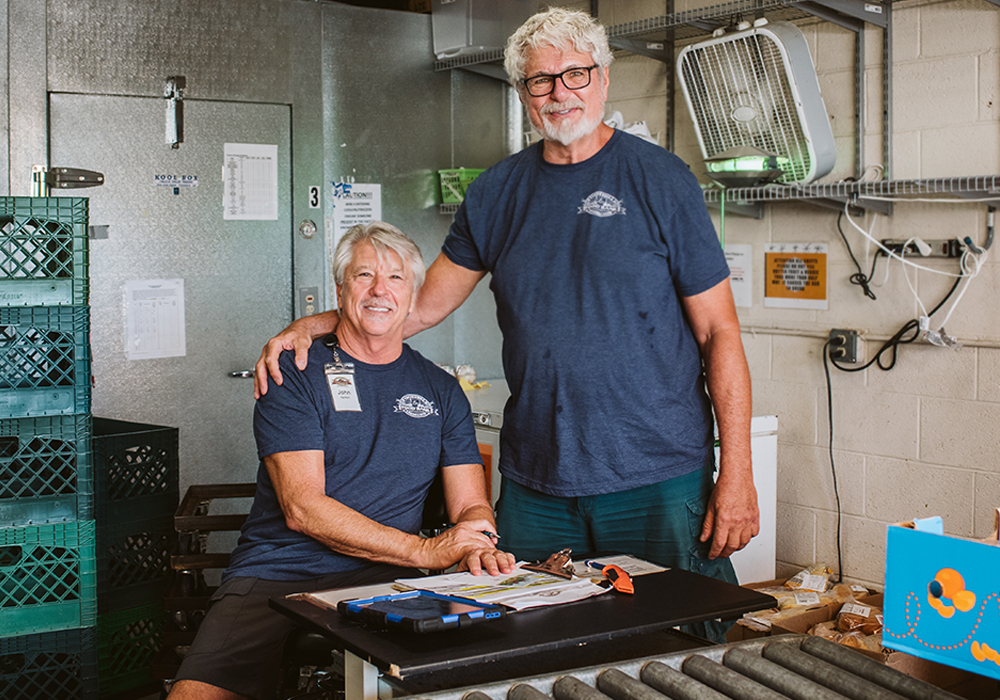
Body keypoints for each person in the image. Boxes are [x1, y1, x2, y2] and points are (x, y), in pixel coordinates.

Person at [255, 8, 757, 641]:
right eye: (540, 81)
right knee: (527, 640)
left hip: (654, 472)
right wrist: (316, 325)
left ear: (603, 78)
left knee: (681, 636)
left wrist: (735, 471)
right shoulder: (495, 194)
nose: (559, 93)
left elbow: (721, 334)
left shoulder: (661, 182)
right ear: (523, 93)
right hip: (537, 481)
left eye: (575, 74)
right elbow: (421, 307)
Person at [169, 221, 515, 700]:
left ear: (413, 296)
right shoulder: (293, 372)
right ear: (339, 290)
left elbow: (470, 504)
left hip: (388, 574)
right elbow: (303, 508)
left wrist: (478, 539)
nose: (380, 290)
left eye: (396, 278)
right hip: (278, 570)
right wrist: (422, 551)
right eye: (363, 276)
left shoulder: (440, 388)